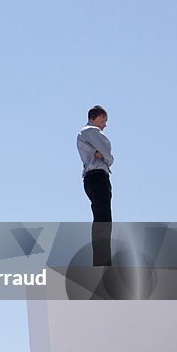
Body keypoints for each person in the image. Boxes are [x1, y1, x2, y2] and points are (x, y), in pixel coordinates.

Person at [77, 105, 113, 266]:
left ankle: (101, 259)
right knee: (103, 218)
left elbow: (104, 154)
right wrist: (107, 157)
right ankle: (102, 261)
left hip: (92, 178)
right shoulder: (91, 132)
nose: (105, 124)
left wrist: (104, 155)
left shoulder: (86, 133)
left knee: (101, 217)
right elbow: (109, 156)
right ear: (97, 117)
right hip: (98, 176)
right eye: (104, 120)